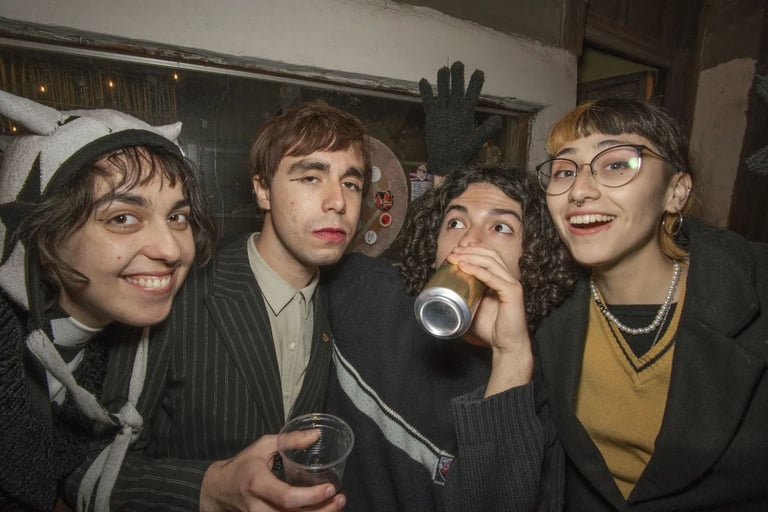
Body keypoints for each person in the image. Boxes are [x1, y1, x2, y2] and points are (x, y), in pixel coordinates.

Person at [68, 100, 372, 511]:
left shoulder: (347, 299)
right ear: (262, 189)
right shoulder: (172, 294)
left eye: (351, 183)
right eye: (311, 177)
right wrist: (208, 489)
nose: (337, 201)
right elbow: (85, 468)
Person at [533, 97, 768, 511]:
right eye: (564, 171)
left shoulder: (755, 288)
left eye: (616, 164)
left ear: (676, 192)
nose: (579, 191)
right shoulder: (545, 301)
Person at [0, 90, 216, 510]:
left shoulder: (119, 345)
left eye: (177, 217)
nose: (171, 249)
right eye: (123, 218)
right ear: (39, 234)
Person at [323, 166, 575, 511]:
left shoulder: (534, 399)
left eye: (500, 227)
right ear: (434, 247)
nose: (469, 241)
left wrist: (510, 355)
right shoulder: (363, 290)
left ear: (532, 259)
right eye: (455, 222)